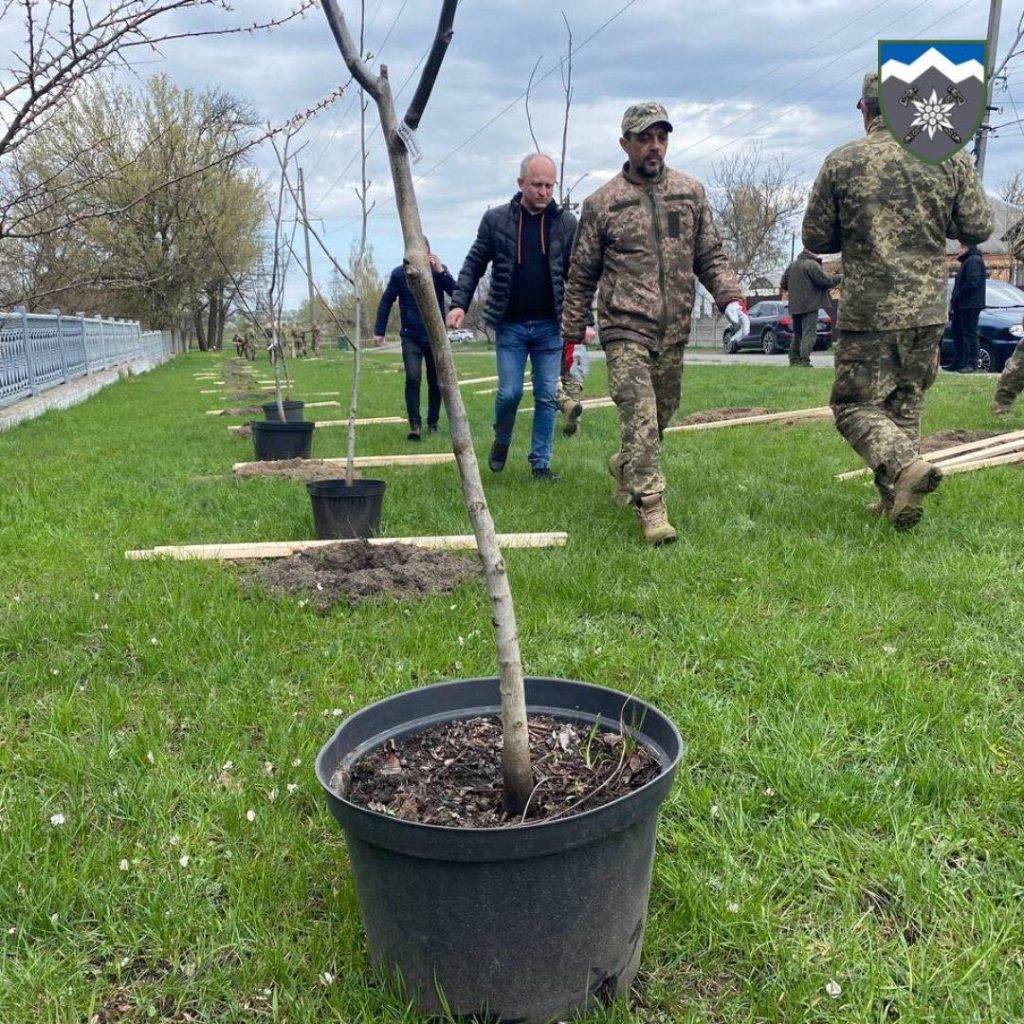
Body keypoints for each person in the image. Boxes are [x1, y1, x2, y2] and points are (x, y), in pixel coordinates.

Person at [803, 72, 993, 530]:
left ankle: (905, 469)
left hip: (871, 307)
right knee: (905, 401)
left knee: (852, 405)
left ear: (865, 109)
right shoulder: (947, 155)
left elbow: (816, 237)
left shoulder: (844, 161)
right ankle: (898, 502)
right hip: (928, 307)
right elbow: (977, 226)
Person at [561, 102, 749, 544]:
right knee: (641, 414)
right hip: (625, 326)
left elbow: (710, 256)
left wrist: (731, 299)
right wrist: (573, 338)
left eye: (661, 137)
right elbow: (580, 276)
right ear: (624, 144)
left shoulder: (690, 193)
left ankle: (627, 464)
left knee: (660, 414)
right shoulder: (602, 204)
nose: (655, 146)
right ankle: (652, 508)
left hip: (674, 328)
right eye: (644, 137)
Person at [447, 153, 590, 480]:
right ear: (521, 183)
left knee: (545, 396)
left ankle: (540, 464)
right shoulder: (496, 221)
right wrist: (459, 303)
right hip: (510, 325)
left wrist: (586, 321)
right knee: (509, 393)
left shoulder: (566, 224)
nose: (543, 192)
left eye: (549, 185)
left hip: (549, 328)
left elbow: (580, 276)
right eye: (537, 185)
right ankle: (502, 438)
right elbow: (473, 264)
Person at [374, 238, 455, 440]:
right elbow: (386, 302)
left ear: (429, 251)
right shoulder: (400, 274)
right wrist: (379, 331)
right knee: (413, 377)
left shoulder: (438, 272)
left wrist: (441, 272)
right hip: (411, 335)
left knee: (435, 381)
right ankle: (414, 425)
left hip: (435, 336)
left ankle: (433, 423)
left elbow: (455, 292)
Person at [779, 249, 841, 367]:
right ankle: (804, 360)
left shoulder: (792, 265)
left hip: (795, 306)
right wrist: (840, 277)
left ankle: (794, 360)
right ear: (811, 253)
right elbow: (825, 281)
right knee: (809, 334)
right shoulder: (812, 265)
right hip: (810, 305)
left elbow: (783, 283)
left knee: (797, 334)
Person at [948, 243, 987, 372]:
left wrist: (958, 296)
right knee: (957, 332)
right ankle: (959, 362)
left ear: (966, 247)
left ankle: (972, 364)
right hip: (962, 305)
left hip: (970, 304)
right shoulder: (967, 261)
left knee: (970, 334)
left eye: (960, 247)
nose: (958, 250)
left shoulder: (973, 260)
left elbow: (972, 283)